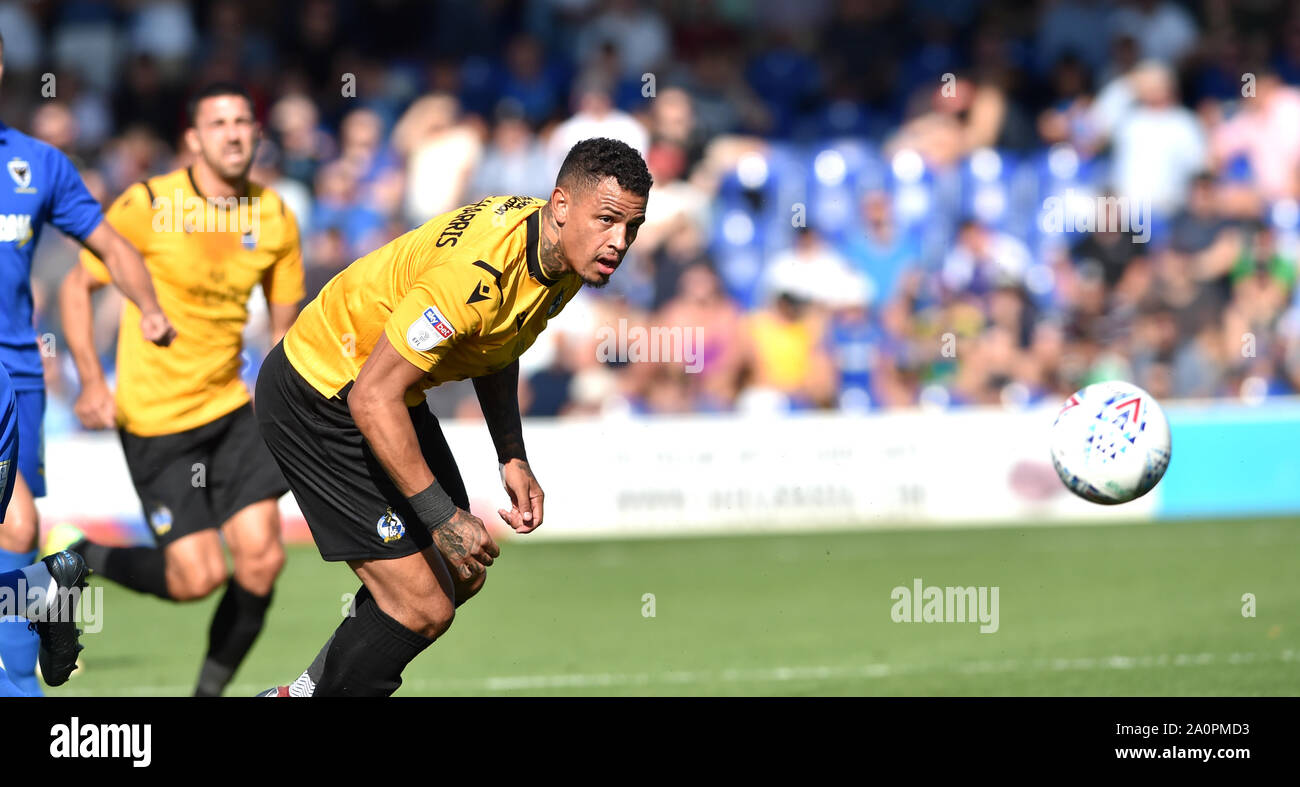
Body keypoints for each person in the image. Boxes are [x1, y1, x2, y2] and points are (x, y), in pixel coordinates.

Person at [254, 137, 650, 696]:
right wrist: (441, 518)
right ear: (561, 205)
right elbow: (371, 398)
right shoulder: (476, 273)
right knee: (422, 605)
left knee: (458, 575)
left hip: (382, 393)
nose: (619, 242)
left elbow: (498, 343)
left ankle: (299, 695)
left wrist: (511, 453)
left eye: (632, 228)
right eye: (607, 220)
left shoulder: (560, 257)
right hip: (322, 395)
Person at [49, 82, 304, 696]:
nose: (235, 133)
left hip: (233, 410)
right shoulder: (146, 205)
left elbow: (284, 329)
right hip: (158, 420)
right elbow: (75, 288)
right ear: (193, 138)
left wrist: (280, 403)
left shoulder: (274, 215)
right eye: (219, 123)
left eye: (244, 121)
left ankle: (205, 697)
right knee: (197, 579)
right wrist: (88, 379)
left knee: (263, 559)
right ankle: (80, 555)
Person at [0, 30, 175, 696]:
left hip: (15, 372)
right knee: (14, 525)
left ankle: (24, 649)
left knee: (15, 526)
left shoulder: (37, 164)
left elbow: (111, 243)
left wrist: (149, 307)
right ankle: (44, 592)